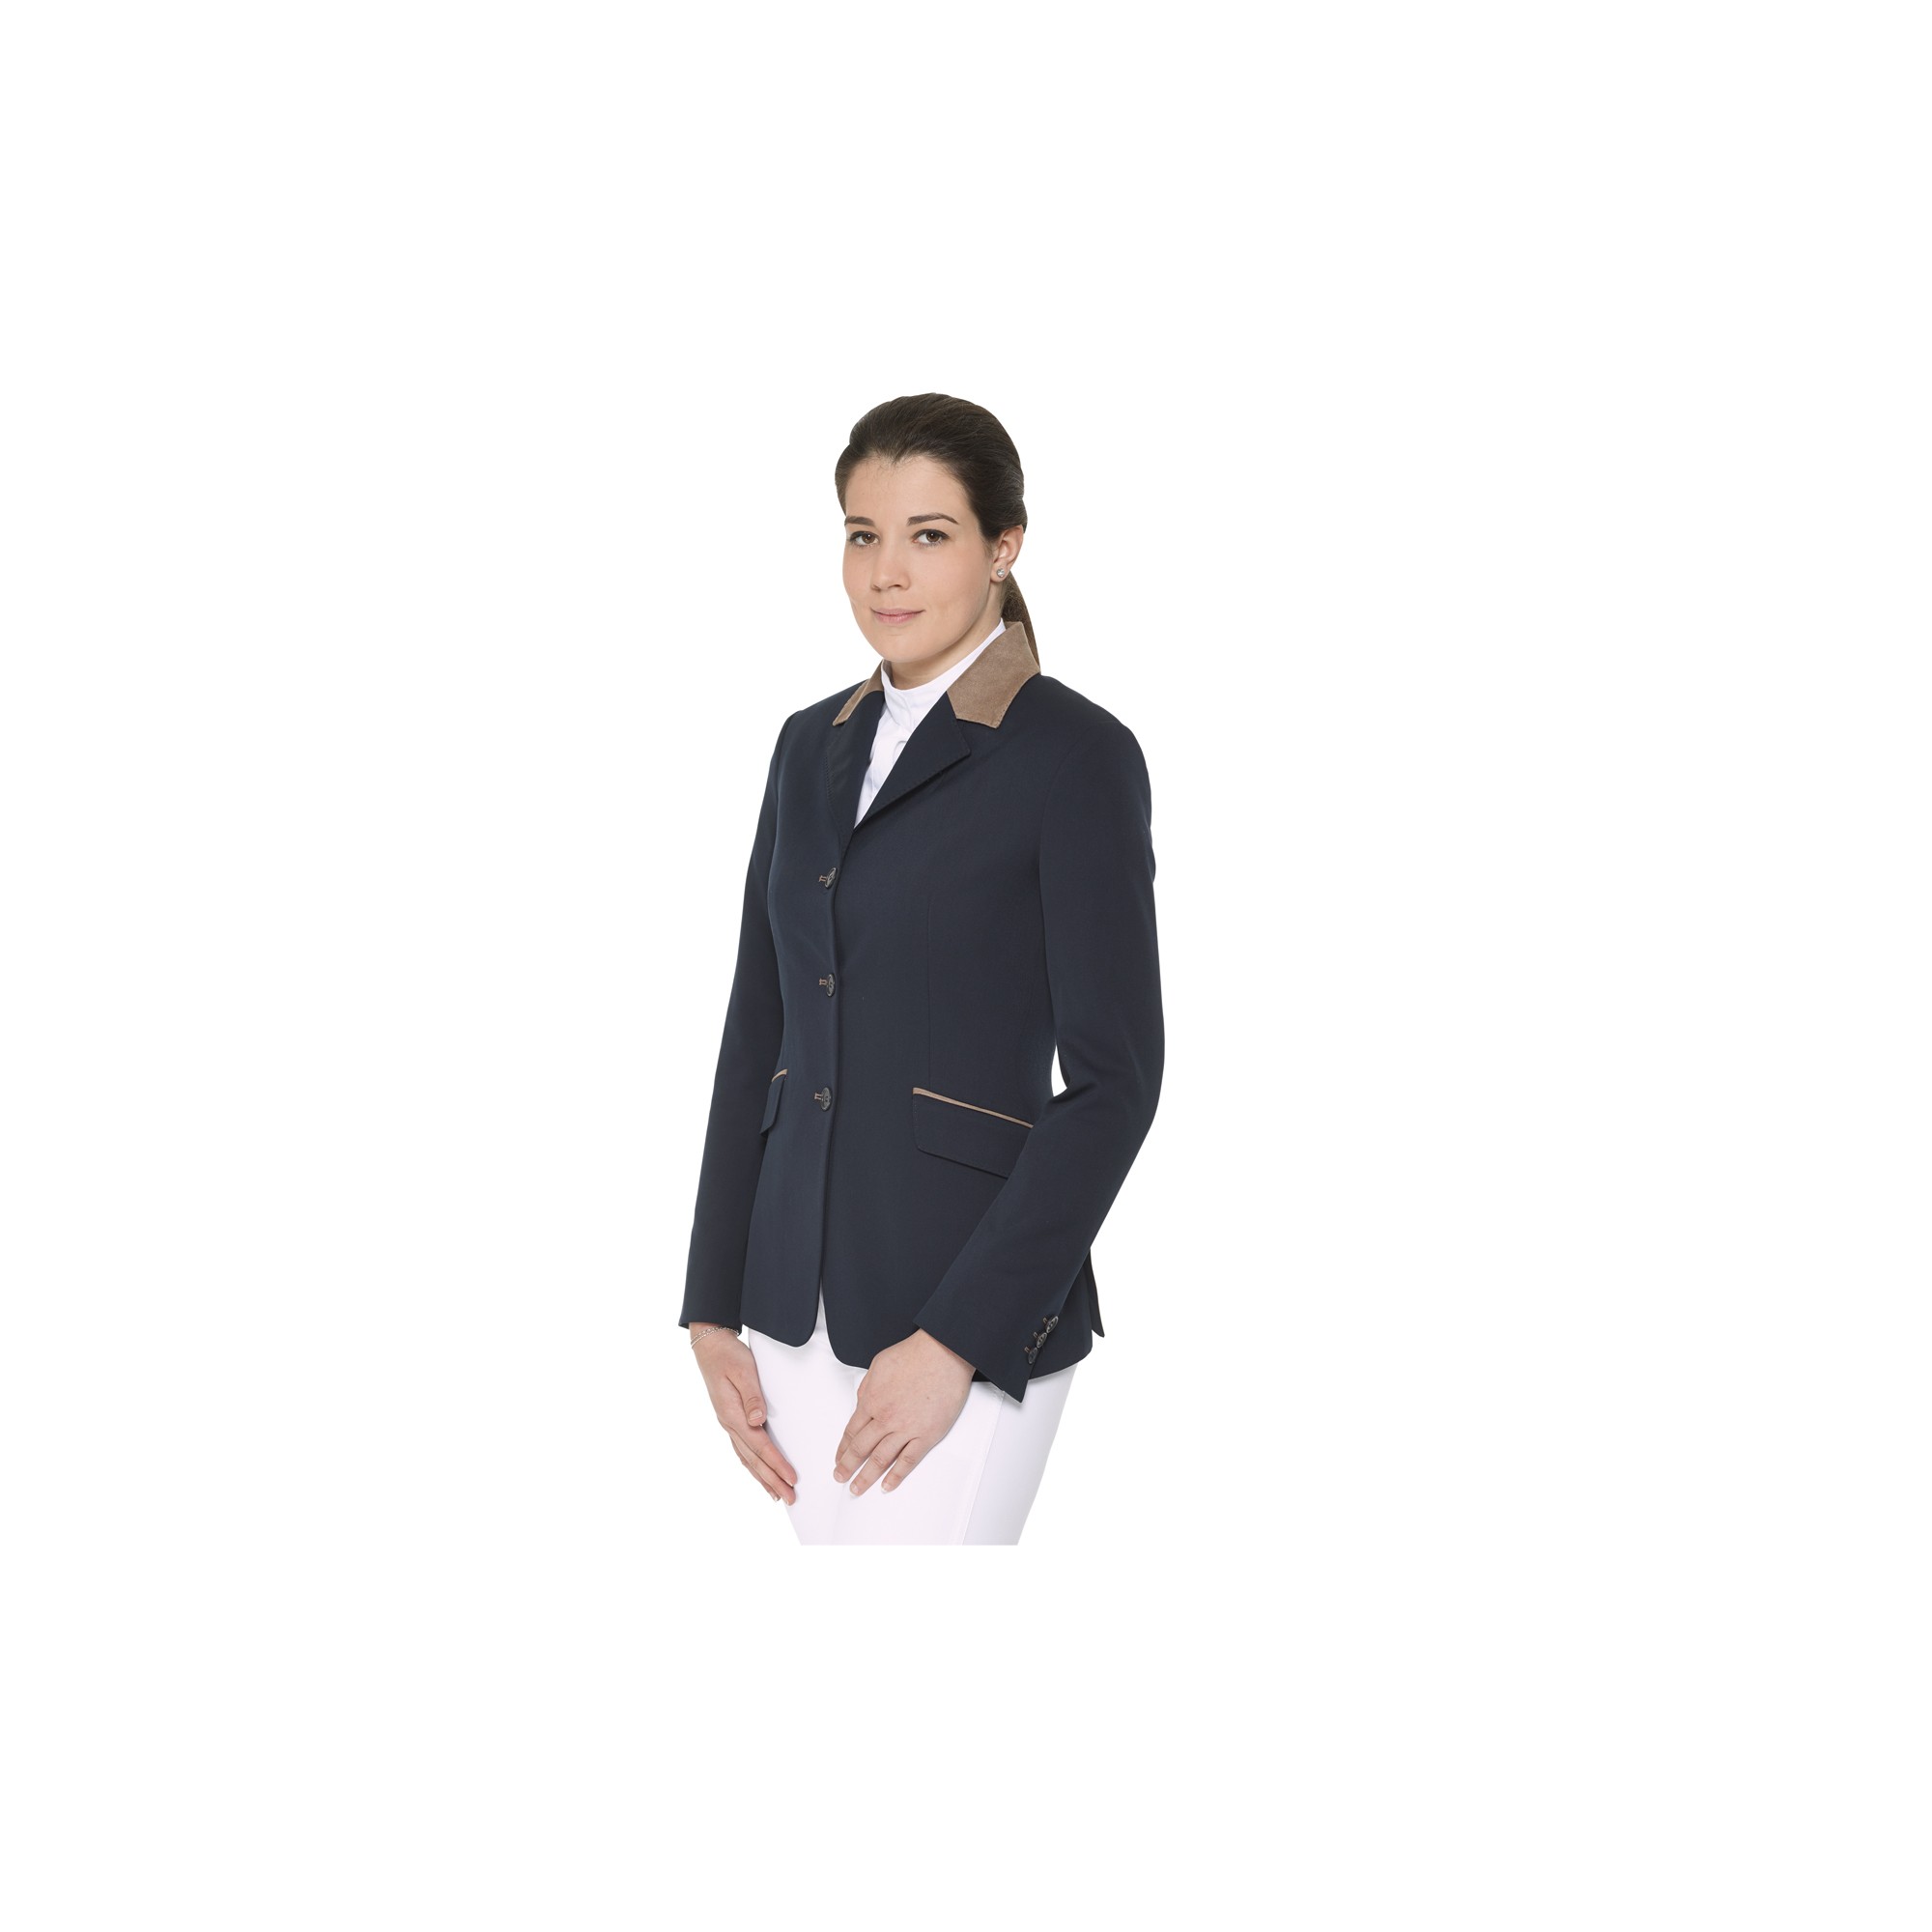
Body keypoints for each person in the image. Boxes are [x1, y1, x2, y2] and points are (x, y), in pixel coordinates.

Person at [678, 393, 1164, 1545]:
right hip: (789, 1310)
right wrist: (711, 1301)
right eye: (862, 534)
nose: (885, 572)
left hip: (963, 1308)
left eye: (928, 534)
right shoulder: (806, 744)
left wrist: (955, 1339)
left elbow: (1115, 1082)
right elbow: (757, 1026)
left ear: (1003, 546)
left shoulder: (1074, 755)